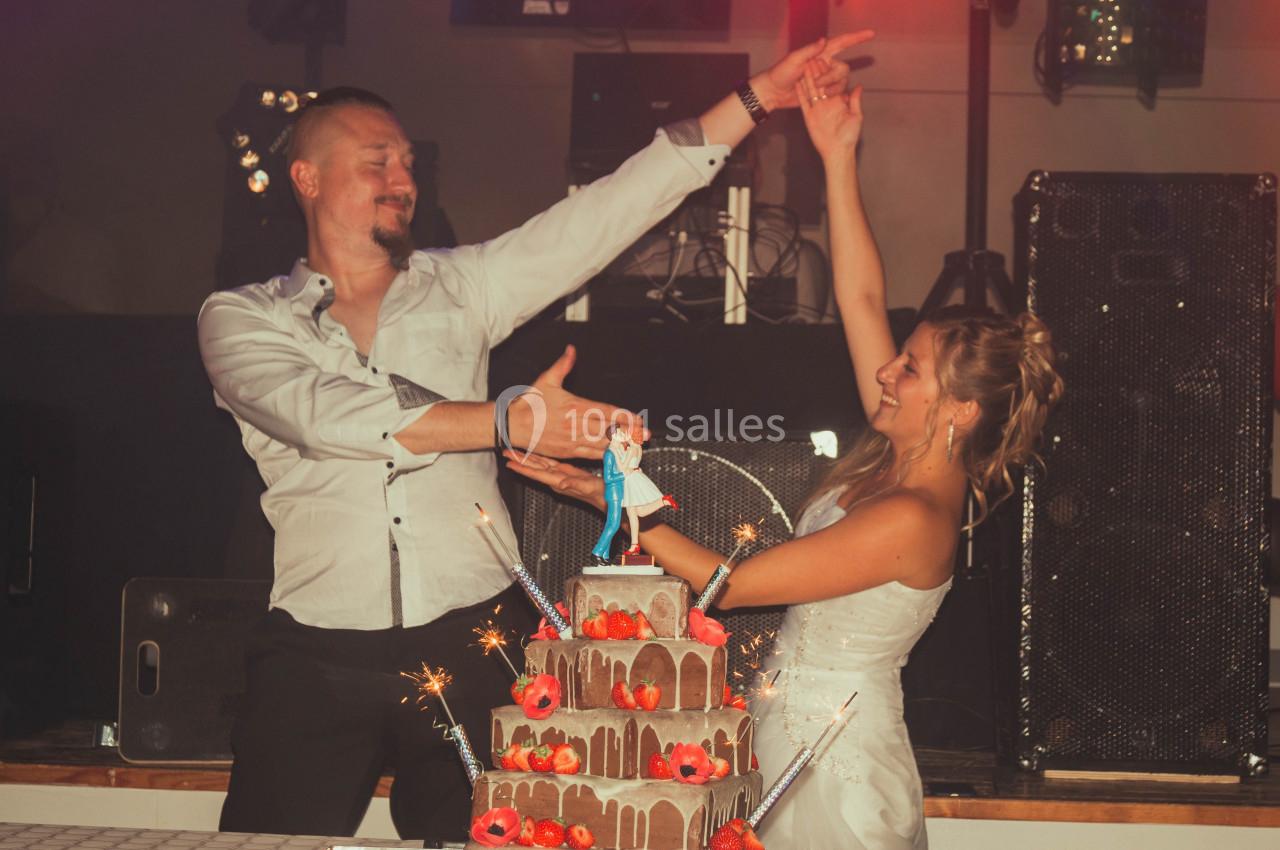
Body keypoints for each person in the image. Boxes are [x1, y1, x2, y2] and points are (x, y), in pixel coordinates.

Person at [198, 33, 873, 843]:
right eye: (376, 161)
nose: (403, 180)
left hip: (473, 638)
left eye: (409, 162)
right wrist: (508, 417)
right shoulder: (242, 318)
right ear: (306, 178)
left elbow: (604, 214)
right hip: (313, 657)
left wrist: (757, 96)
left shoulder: (463, 285)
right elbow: (323, 413)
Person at [505, 62, 1063, 849]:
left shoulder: (913, 514)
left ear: (960, 409)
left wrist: (607, 495)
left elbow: (731, 586)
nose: (885, 373)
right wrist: (838, 154)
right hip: (787, 736)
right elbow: (861, 299)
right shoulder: (895, 455)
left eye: (910, 369)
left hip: (837, 765)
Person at [590, 425, 628, 565]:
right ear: (614, 435)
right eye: (621, 433)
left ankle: (604, 556)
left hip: (618, 492)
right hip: (614, 493)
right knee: (614, 525)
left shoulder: (616, 452)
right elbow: (608, 478)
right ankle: (597, 552)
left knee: (611, 524)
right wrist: (623, 474)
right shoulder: (609, 454)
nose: (624, 434)